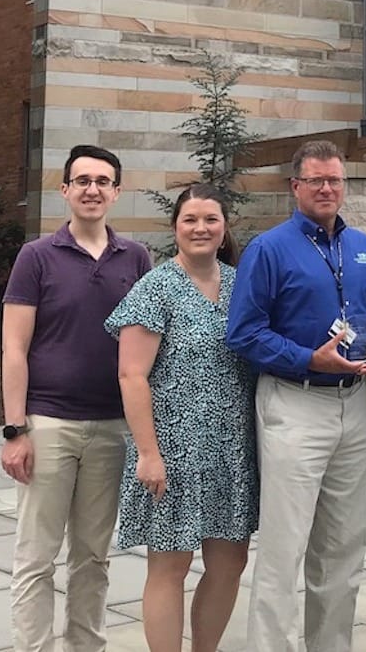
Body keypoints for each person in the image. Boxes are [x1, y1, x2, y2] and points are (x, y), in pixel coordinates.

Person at [226, 139, 366, 652]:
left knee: (344, 547)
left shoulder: (364, 247)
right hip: (294, 403)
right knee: (284, 547)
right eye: (316, 180)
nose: (326, 188)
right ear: (295, 186)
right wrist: (307, 358)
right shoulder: (268, 249)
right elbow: (244, 332)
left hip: (354, 405)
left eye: (335, 180)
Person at [1, 145, 153, 651]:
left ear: (116, 191)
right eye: (82, 180)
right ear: (64, 190)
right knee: (36, 558)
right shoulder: (36, 257)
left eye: (102, 181)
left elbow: (148, 346)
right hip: (48, 426)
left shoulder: (135, 258)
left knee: (93, 558)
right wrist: (15, 429)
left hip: (111, 428)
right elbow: (14, 348)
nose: (92, 189)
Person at [105, 184, 257, 652]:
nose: (201, 228)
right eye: (191, 219)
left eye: (210, 219)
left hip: (232, 449)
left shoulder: (240, 285)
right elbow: (132, 375)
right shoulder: (156, 287)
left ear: (224, 226)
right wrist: (148, 453)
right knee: (169, 565)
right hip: (172, 449)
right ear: (175, 227)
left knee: (230, 562)